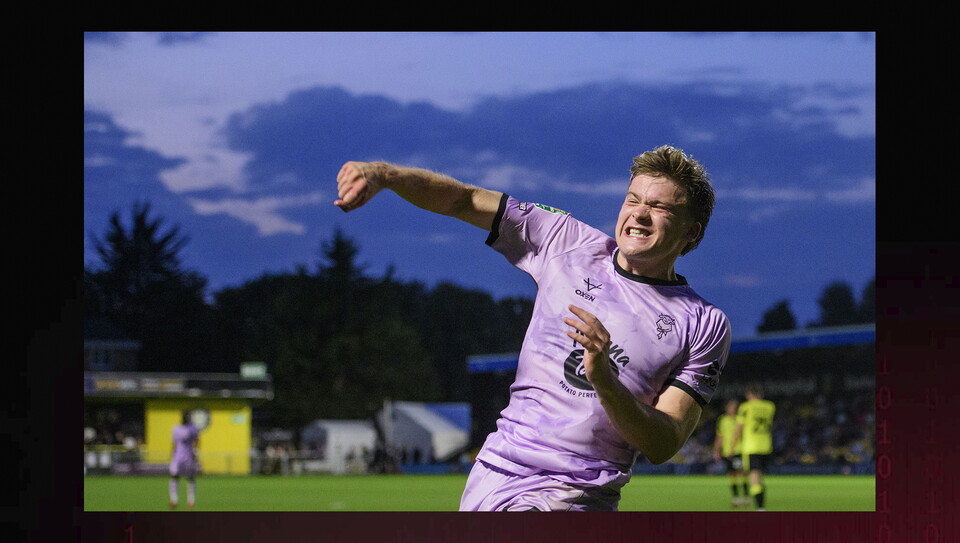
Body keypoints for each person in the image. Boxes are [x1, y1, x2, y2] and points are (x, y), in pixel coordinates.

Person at [335, 144, 732, 511]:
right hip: (494, 473)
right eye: (633, 199)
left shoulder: (702, 323)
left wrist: (604, 379)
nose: (639, 214)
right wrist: (385, 175)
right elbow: (464, 199)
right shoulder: (566, 241)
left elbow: (663, 443)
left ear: (691, 232)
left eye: (659, 207)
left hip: (573, 491)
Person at [732, 383, 776, 511]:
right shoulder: (770, 406)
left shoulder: (745, 407)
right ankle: (761, 505)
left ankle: (760, 508)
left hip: (751, 447)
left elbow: (739, 428)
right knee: (760, 477)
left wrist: (732, 446)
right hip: (766, 446)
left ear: (749, 395)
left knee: (754, 478)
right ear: (761, 394)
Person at [713, 398, 748, 508]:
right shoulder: (722, 419)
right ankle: (736, 498)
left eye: (735, 406)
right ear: (726, 407)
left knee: (741, 473)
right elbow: (720, 436)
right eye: (731, 406)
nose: (732, 408)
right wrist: (716, 450)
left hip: (739, 450)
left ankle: (746, 498)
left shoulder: (740, 419)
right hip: (727, 452)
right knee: (731, 475)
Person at [168, 411, 200, 509]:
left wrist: (195, 453)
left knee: (190, 478)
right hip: (177, 457)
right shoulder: (176, 428)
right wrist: (172, 455)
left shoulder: (193, 429)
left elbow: (197, 441)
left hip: (189, 456)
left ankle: (191, 501)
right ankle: (174, 500)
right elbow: (174, 443)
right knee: (174, 476)